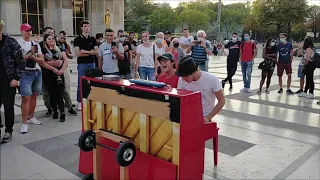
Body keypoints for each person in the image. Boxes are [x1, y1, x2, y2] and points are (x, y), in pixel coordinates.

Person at [176, 56, 225, 122]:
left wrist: (208, 117)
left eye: (186, 76)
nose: (184, 79)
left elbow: (221, 101)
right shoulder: (182, 80)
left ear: (193, 72)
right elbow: (179, 98)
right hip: (188, 114)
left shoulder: (211, 79)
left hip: (205, 115)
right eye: (182, 76)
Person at [0, 20, 25, 142]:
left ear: (1, 29)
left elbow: (21, 62)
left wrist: (16, 78)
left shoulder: (10, 42)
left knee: (8, 107)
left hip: (8, 80)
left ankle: (8, 130)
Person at [41, 33, 69, 122]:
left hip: (59, 74)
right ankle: (55, 111)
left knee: (59, 93)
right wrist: (53, 68)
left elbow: (66, 60)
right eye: (49, 39)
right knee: (51, 94)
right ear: (45, 40)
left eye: (52, 38)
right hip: (48, 74)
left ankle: (62, 113)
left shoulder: (59, 48)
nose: (51, 40)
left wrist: (62, 70)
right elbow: (42, 63)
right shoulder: (43, 50)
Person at [74, 20, 98, 111]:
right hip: (82, 64)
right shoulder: (77, 39)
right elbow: (78, 53)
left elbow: (97, 52)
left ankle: (91, 99)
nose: (87, 28)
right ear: (81, 28)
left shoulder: (92, 39)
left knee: (92, 82)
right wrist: (90, 52)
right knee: (81, 82)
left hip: (91, 63)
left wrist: (86, 51)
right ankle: (80, 101)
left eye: (88, 26)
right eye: (85, 26)